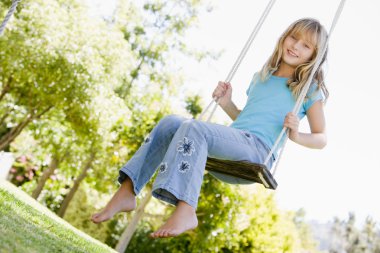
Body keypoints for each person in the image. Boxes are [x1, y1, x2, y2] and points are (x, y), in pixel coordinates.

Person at [91, 18, 329, 238]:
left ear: (314, 55)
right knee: (171, 123)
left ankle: (186, 208)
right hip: (236, 142)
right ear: (284, 37)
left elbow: (321, 138)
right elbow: (246, 118)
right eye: (293, 38)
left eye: (306, 46)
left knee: (195, 129)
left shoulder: (308, 89)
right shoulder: (262, 77)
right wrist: (227, 104)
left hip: (258, 152)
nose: (296, 46)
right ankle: (128, 190)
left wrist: (296, 135)